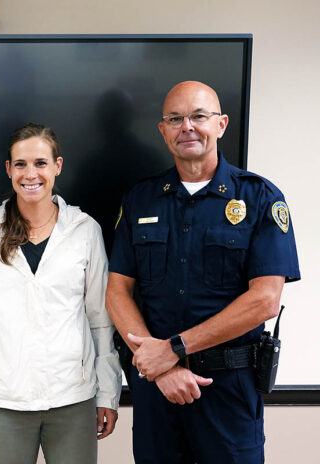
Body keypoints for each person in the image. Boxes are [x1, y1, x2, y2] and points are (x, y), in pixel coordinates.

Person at [106, 81, 300, 463]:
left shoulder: (260, 198)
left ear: (222, 124)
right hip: (157, 392)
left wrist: (175, 349)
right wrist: (161, 369)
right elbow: (117, 292)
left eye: (199, 116)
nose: (187, 127)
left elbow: (264, 300)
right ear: (163, 131)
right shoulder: (140, 198)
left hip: (228, 388)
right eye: (175, 119)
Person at [0, 123, 121, 463]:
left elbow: (100, 319)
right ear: (8, 169)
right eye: (20, 164)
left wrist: (108, 393)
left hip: (73, 399)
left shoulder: (84, 230)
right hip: (6, 401)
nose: (30, 173)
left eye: (40, 163)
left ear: (57, 166)